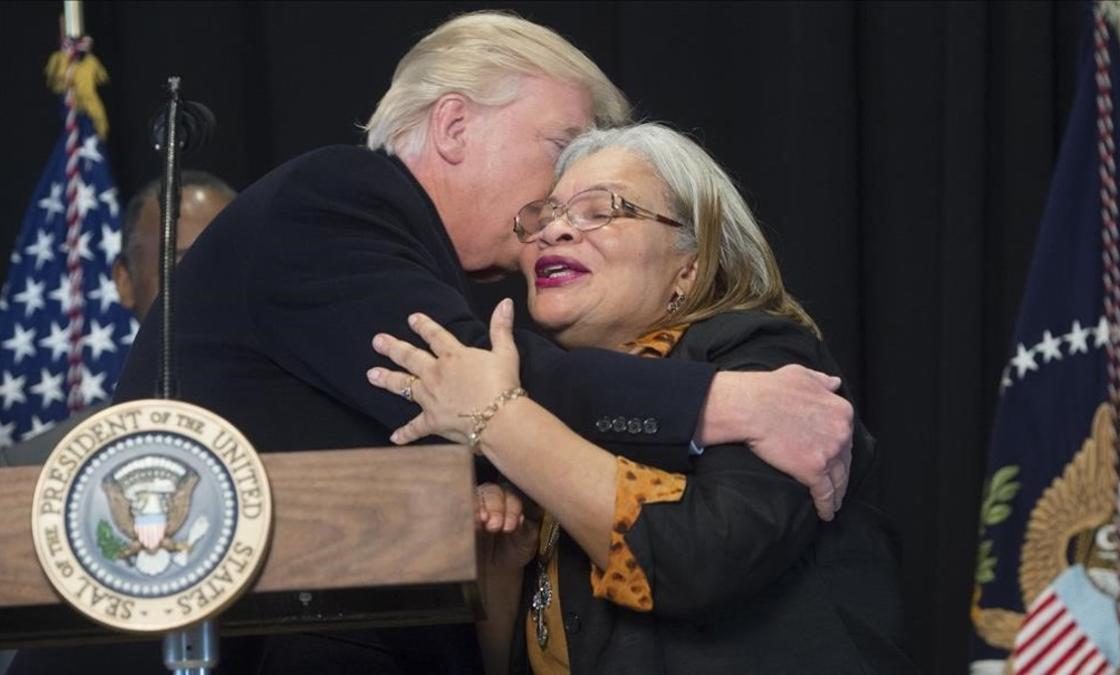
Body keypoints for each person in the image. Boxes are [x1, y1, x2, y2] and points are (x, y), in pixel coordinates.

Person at [85, 12, 850, 674]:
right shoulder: (339, 200)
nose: (556, 200)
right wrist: (727, 402)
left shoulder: (439, 267)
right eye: (561, 148)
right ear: (454, 125)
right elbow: (501, 386)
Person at [367, 124, 915, 673]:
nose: (554, 232)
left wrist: (495, 418)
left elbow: (699, 560)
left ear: (691, 264)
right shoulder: (551, 404)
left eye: (599, 210)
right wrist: (503, 569)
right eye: (547, 214)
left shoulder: (762, 355)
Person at [0, 171, 235, 467]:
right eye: (183, 265)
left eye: (229, 263)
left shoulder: (306, 438)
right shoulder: (33, 464)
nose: (209, 285)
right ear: (125, 281)